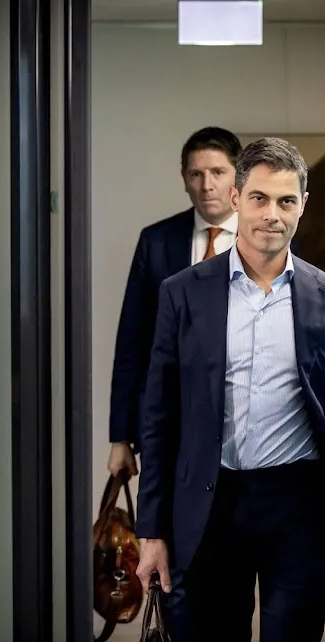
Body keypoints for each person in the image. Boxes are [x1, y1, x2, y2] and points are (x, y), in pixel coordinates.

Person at [135, 137, 325, 642]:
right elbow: (159, 419)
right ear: (237, 199)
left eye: (286, 201)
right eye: (259, 198)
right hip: (210, 506)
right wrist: (152, 532)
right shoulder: (183, 292)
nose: (271, 215)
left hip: (298, 507)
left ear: (303, 204)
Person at [107, 126, 242, 479]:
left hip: (243, 425)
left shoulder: (265, 239)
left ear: (238, 176)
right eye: (196, 174)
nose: (206, 185)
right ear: (184, 179)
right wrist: (120, 437)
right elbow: (132, 340)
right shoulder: (156, 241)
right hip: (168, 424)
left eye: (217, 172)